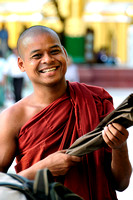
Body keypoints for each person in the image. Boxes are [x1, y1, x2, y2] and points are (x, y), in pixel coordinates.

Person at [0, 25, 132, 200]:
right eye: (37, 55)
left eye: (54, 51)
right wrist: (41, 169)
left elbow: (121, 183)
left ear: (65, 53)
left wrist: (119, 147)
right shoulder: (12, 118)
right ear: (21, 64)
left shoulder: (96, 100)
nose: (48, 60)